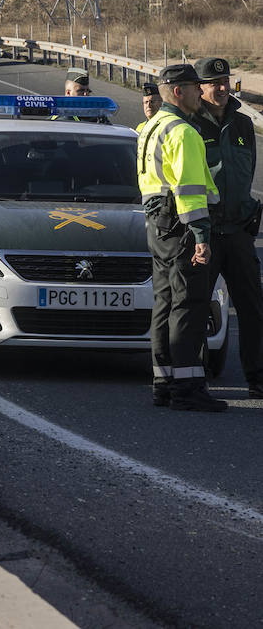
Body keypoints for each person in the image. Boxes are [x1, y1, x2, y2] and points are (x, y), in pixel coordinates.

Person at [138, 63, 224, 412]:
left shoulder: (150, 127)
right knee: (188, 304)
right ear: (178, 92)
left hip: (158, 225)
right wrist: (201, 235)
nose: (199, 93)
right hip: (182, 227)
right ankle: (187, 388)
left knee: (164, 303)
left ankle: (164, 381)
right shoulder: (183, 132)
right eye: (193, 88)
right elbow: (189, 190)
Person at [192, 57, 263, 398]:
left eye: (225, 81)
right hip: (202, 232)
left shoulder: (242, 124)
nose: (221, 88)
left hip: (237, 231)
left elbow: (246, 173)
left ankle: (258, 377)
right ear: (200, 87)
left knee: (252, 306)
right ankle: (190, 378)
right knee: (194, 306)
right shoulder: (190, 124)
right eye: (213, 83)